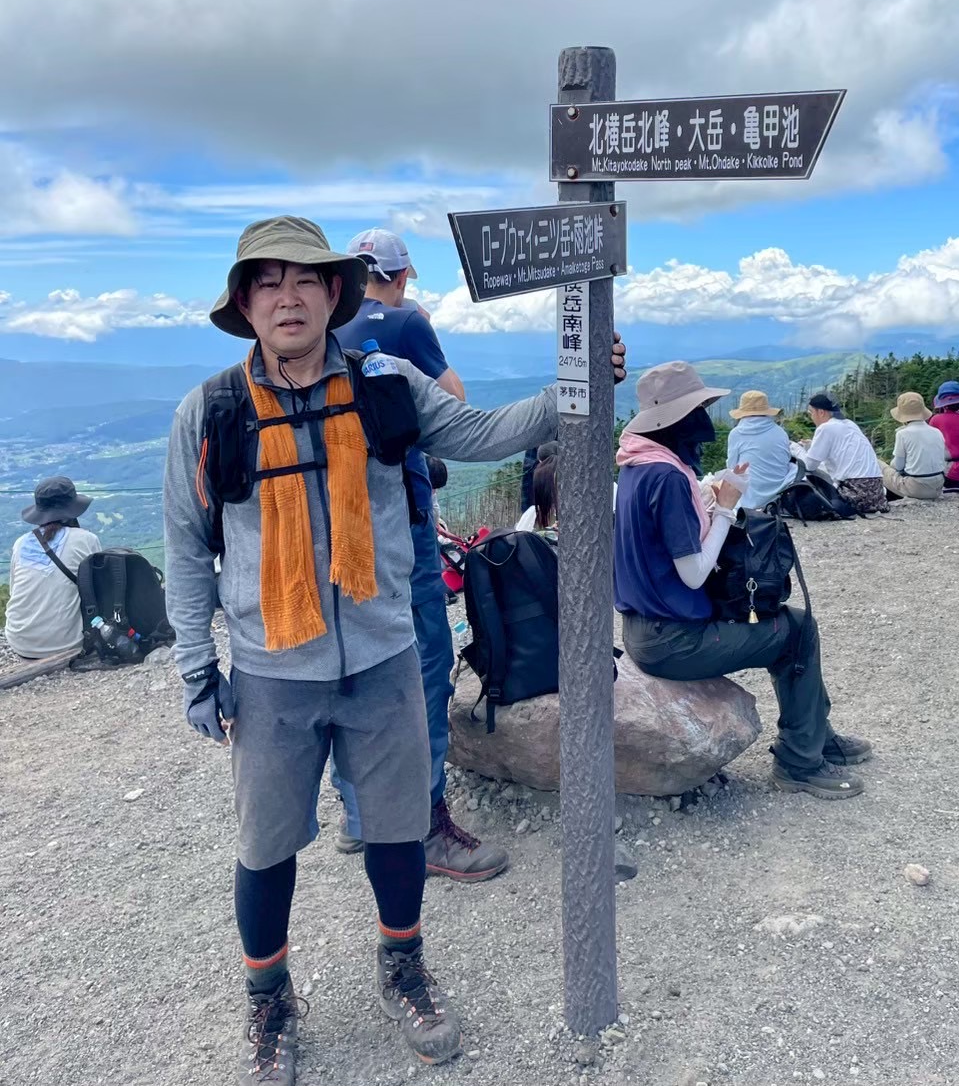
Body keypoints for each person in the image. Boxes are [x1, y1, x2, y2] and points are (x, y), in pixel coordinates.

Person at [163, 215, 626, 1081]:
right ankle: (268, 996)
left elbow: (485, 432)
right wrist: (200, 670)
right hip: (269, 672)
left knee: (398, 830)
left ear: (335, 293)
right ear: (245, 304)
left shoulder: (385, 384)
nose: (288, 296)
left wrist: (575, 385)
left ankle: (402, 963)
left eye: (305, 279)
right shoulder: (212, 410)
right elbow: (188, 547)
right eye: (267, 282)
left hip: (381, 658)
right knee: (264, 844)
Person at [331, 226, 505, 885]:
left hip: (336, 527)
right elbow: (451, 402)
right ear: (401, 277)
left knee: (352, 662)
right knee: (424, 658)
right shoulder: (405, 321)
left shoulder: (328, 328)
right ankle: (425, 820)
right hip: (399, 522)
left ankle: (358, 814)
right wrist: (419, 325)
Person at [613, 362, 871, 801]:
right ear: (677, 420)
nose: (703, 421)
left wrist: (711, 501)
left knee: (787, 625)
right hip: (675, 640)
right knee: (796, 631)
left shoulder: (636, 466)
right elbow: (692, 574)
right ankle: (800, 761)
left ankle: (815, 735)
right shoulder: (668, 476)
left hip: (644, 628)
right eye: (697, 411)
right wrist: (727, 507)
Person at [5, 477, 101, 660]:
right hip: (67, 643)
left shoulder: (20, 543)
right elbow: (100, 591)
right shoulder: (86, 539)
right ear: (72, 509)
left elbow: (14, 590)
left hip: (20, 642)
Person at [802, 393, 887, 513]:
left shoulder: (825, 428)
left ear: (821, 412)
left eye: (811, 412)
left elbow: (810, 465)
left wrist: (798, 450)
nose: (811, 416)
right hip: (876, 495)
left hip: (854, 494)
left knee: (807, 470)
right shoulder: (850, 424)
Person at [725, 391, 794, 509]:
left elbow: (732, 466)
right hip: (780, 494)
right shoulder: (780, 432)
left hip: (750, 497)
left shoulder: (737, 433)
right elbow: (786, 460)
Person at [876, 393, 947, 502]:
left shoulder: (903, 434)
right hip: (937, 486)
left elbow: (898, 466)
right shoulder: (937, 432)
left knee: (879, 464)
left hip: (916, 488)